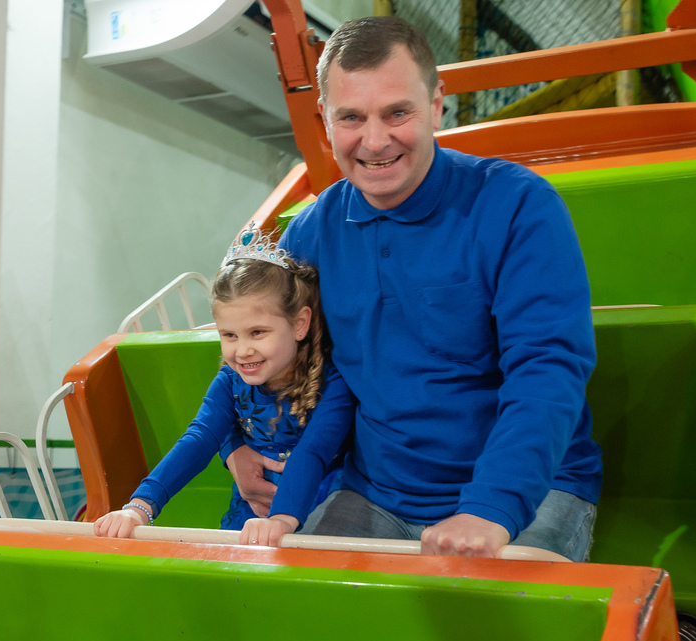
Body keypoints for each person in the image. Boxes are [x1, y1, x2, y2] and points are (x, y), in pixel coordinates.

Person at [223, 17, 602, 561]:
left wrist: (492, 507)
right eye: (351, 117)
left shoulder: (518, 205)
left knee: (492, 632)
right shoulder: (308, 231)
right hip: (376, 491)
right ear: (325, 120)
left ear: (436, 103)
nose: (374, 142)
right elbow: (253, 343)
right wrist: (234, 446)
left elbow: (547, 366)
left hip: (532, 490)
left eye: (396, 112)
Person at [94, 229, 353, 546]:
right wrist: (139, 508)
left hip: (320, 503)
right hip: (257, 509)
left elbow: (313, 451)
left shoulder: (332, 384)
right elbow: (199, 437)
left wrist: (283, 519)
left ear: (299, 324)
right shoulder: (231, 381)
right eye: (229, 335)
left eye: (257, 332)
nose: (242, 350)